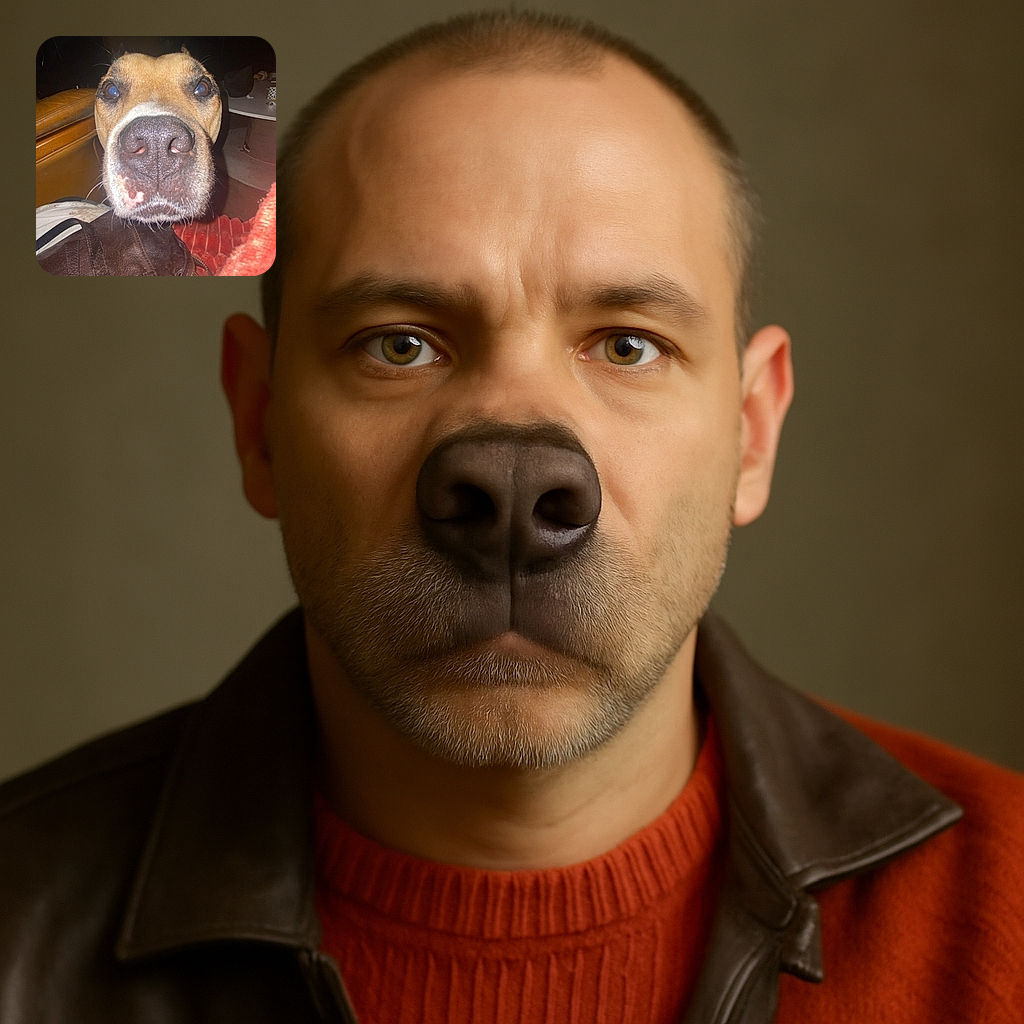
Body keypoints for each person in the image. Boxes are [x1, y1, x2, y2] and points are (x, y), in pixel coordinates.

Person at [2, 11, 1022, 1023]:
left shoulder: (1001, 911)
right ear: (258, 420)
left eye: (626, 344)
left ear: (751, 434)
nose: (515, 479)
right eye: (396, 343)